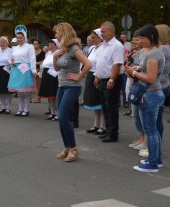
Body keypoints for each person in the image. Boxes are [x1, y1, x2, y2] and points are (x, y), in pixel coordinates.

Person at [125, 24, 166, 173]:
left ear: (151, 37)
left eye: (142, 38)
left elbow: (150, 77)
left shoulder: (153, 54)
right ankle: (156, 159)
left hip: (150, 94)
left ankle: (153, 163)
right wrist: (135, 69)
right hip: (151, 93)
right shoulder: (150, 52)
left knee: (150, 130)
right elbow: (146, 71)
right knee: (152, 129)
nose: (140, 40)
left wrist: (133, 73)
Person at [52, 23, 92, 162]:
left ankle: (74, 149)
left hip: (72, 87)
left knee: (63, 117)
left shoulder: (74, 48)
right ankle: (67, 148)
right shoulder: (63, 49)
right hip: (61, 86)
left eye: (57, 33)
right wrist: (55, 57)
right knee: (60, 119)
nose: (56, 35)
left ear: (64, 33)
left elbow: (88, 64)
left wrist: (79, 76)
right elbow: (57, 69)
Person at [94, 22, 124, 142]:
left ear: (111, 31)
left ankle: (113, 134)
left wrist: (112, 79)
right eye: (101, 31)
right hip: (102, 79)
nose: (101, 34)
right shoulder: (105, 45)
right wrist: (97, 75)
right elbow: (101, 62)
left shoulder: (116, 45)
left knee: (111, 107)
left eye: (103, 31)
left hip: (112, 79)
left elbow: (117, 64)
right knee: (105, 106)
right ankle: (108, 130)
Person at [8, 31, 37, 116]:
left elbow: (32, 59)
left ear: (24, 38)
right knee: (19, 91)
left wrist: (33, 70)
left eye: (21, 37)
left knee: (26, 91)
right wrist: (11, 62)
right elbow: (10, 58)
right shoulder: (14, 48)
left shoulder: (29, 47)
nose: (19, 39)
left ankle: (26, 109)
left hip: (25, 68)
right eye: (18, 38)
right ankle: (20, 109)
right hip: (16, 69)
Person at [39, 40, 59, 120]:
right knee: (49, 96)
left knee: (55, 95)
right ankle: (52, 112)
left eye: (52, 45)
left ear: (56, 45)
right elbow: (44, 64)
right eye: (49, 45)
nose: (50, 47)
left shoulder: (58, 53)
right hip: (46, 74)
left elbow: (58, 65)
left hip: (54, 75)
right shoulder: (48, 53)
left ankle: (58, 113)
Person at [0, 36, 13, 114]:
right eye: (1, 42)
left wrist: (10, 66)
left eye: (4, 42)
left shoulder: (10, 50)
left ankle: (8, 107)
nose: (2, 43)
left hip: (7, 70)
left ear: (7, 43)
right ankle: (2, 107)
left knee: (8, 90)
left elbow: (12, 60)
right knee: (1, 90)